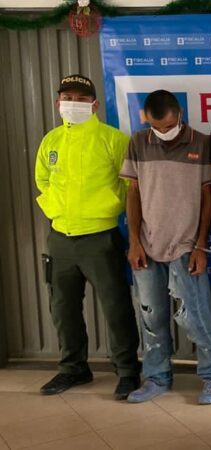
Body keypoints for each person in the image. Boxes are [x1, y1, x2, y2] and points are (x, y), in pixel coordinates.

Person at [34, 74, 141, 400]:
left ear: (94, 105)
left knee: (116, 307)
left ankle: (127, 371)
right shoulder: (51, 141)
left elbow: (130, 187)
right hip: (61, 238)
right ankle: (73, 368)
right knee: (62, 308)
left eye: (81, 99)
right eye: (67, 98)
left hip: (101, 237)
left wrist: (108, 210)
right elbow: (42, 180)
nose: (73, 104)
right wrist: (55, 210)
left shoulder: (113, 139)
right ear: (58, 103)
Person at [120, 90, 211, 404]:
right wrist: (134, 241)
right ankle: (157, 377)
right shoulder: (138, 142)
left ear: (179, 115)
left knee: (196, 315)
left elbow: (208, 196)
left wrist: (200, 245)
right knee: (151, 318)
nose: (163, 132)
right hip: (147, 246)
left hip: (185, 246)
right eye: (156, 127)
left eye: (167, 126)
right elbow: (133, 193)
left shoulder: (201, 143)